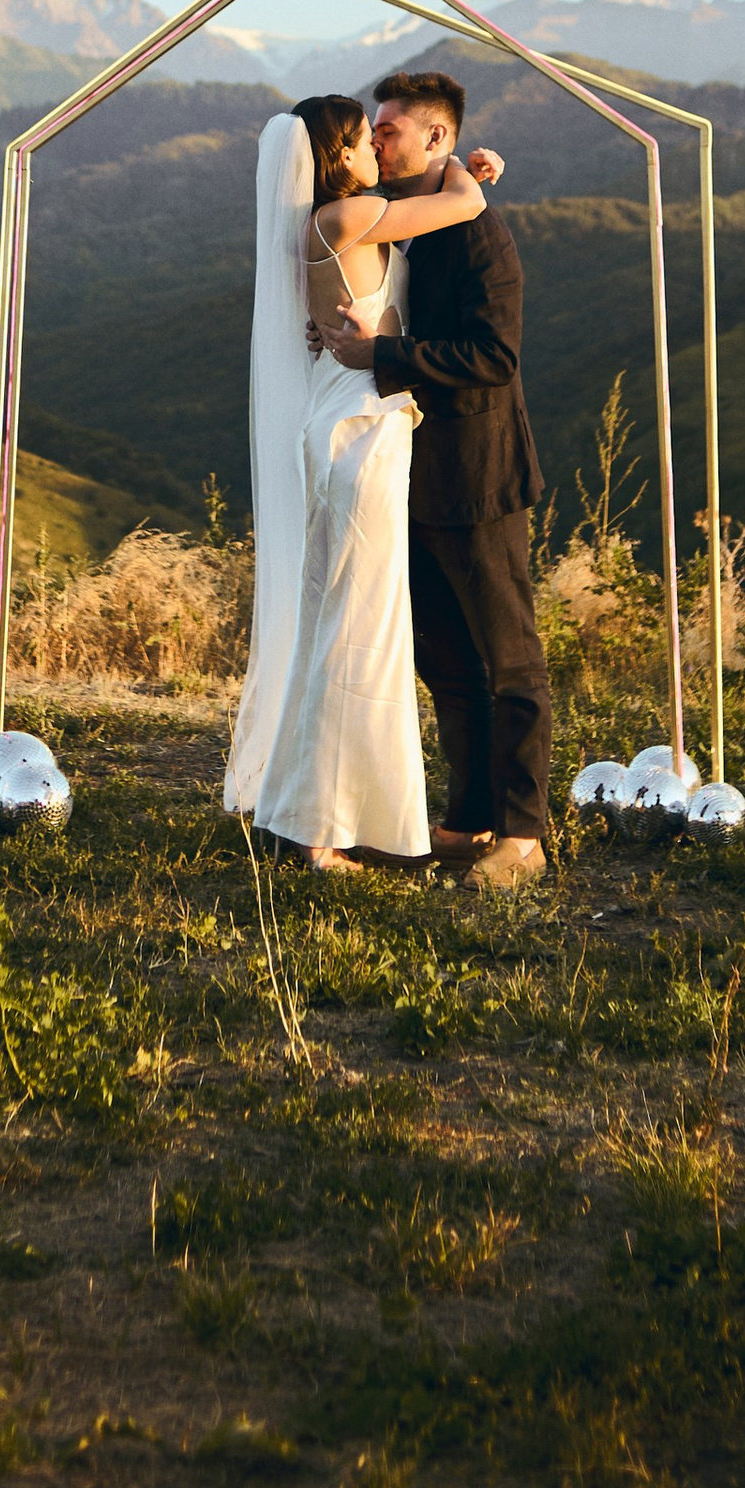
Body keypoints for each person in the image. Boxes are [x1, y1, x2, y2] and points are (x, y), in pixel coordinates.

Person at [229, 95, 498, 865]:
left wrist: (463, 168)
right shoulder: (349, 219)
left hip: (337, 422)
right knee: (359, 633)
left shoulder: (322, 226)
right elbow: (463, 203)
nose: (381, 153)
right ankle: (322, 832)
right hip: (364, 435)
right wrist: (465, 165)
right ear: (340, 156)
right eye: (367, 142)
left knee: (336, 625)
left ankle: (300, 811)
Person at [311, 69, 551, 890]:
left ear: (436, 138)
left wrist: (380, 354)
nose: (376, 140)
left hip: (478, 470)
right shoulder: (411, 217)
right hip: (407, 471)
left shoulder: (480, 237)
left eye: (390, 130)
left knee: (509, 655)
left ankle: (523, 834)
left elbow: (495, 358)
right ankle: (469, 816)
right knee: (447, 661)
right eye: (373, 130)